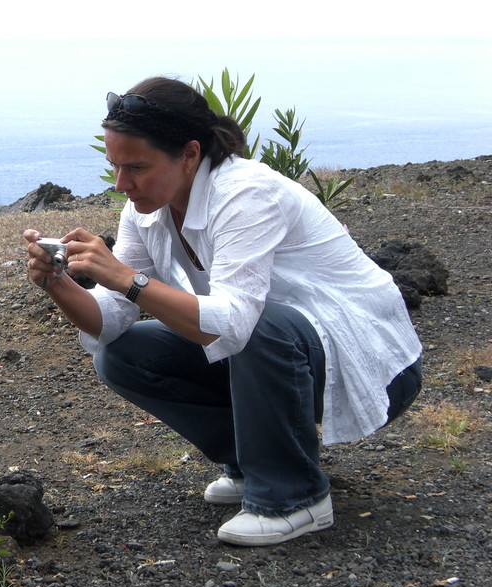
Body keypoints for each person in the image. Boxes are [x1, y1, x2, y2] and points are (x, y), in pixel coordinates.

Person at [24, 76, 423, 546]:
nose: (121, 184)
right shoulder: (145, 209)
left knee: (259, 325)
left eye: (136, 167)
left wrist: (125, 277)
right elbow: (111, 319)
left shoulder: (247, 193)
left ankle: (294, 497)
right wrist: (58, 282)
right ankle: (256, 463)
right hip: (283, 357)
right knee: (122, 355)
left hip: (371, 367)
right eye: (115, 166)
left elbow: (234, 322)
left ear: (190, 154)